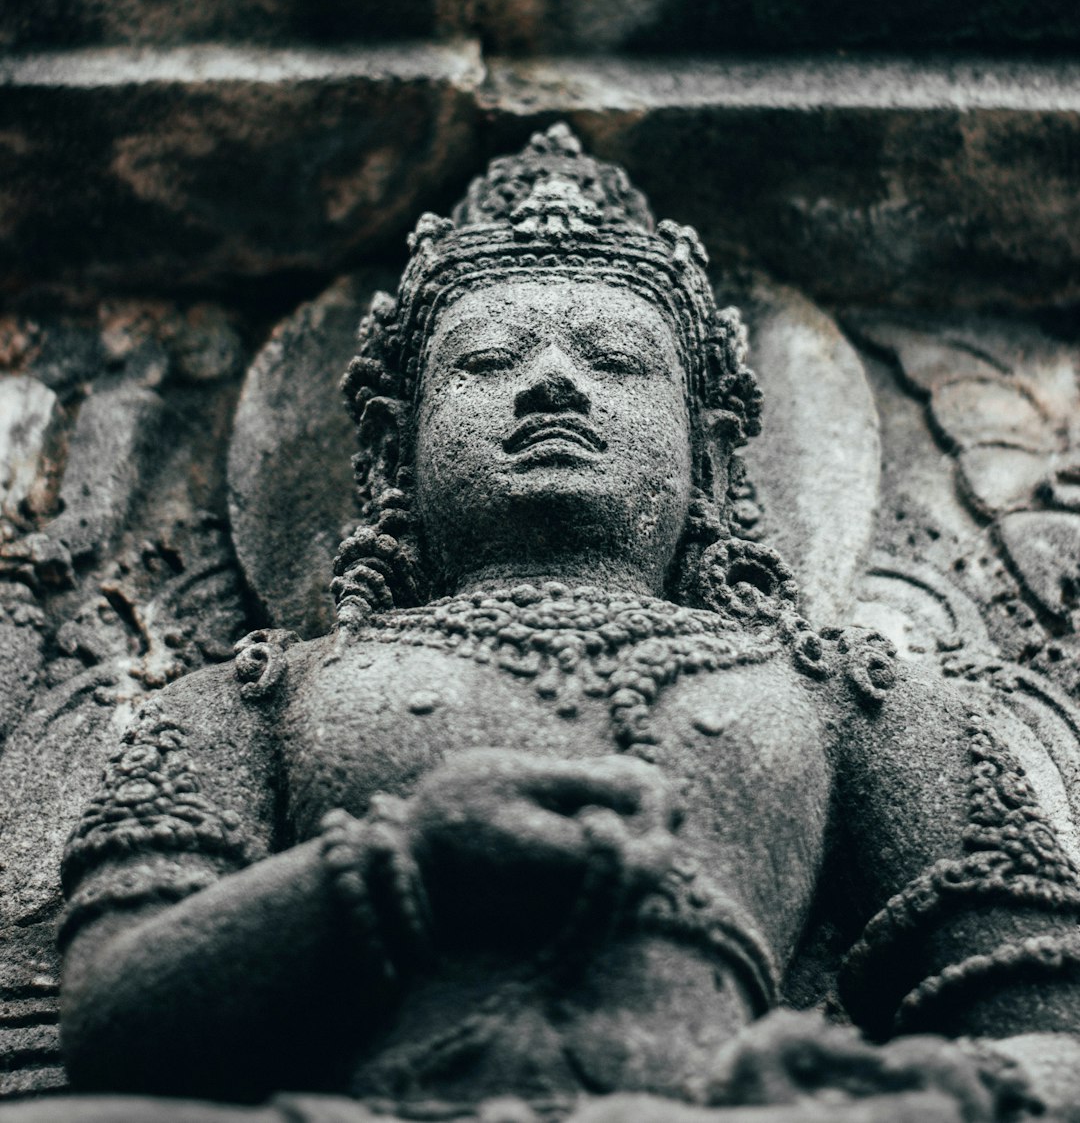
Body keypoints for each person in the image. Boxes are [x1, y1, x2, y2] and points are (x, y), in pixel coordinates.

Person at [54, 127, 1080, 1120]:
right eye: (489, 359)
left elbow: (1052, 1041)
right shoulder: (258, 697)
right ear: (389, 451)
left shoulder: (847, 699)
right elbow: (108, 1028)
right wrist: (405, 860)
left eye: (619, 361)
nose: (551, 380)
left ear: (710, 451)